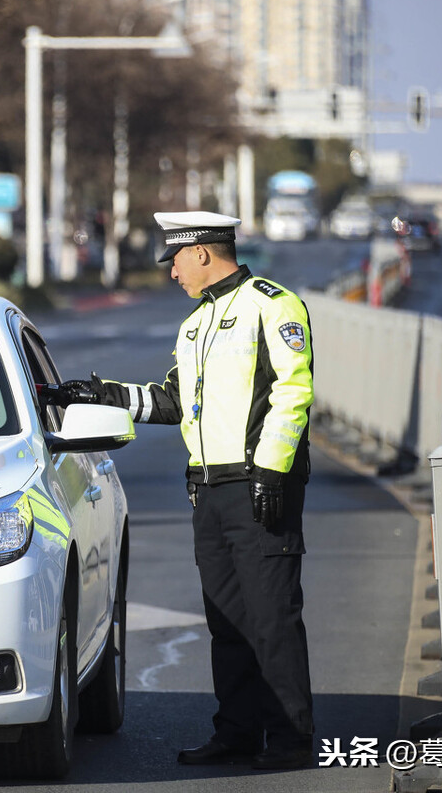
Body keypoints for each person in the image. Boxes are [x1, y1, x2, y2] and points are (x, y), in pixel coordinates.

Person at [47, 210, 315, 770]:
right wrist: (105, 395)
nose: (170, 272)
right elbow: (170, 401)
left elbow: (293, 391)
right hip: (209, 490)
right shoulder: (193, 326)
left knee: (272, 618)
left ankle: (290, 741)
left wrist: (271, 471)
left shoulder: (273, 304)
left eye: (173, 260)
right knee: (228, 621)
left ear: (201, 251)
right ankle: (238, 732)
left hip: (260, 485)